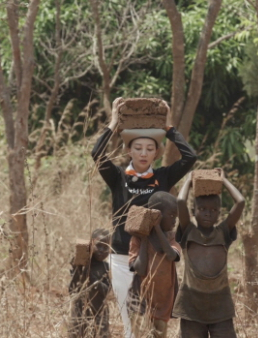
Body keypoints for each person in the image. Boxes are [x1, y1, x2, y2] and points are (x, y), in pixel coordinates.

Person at [91, 97, 196, 337]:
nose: (143, 153)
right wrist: (114, 123)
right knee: (131, 324)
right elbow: (96, 153)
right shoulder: (118, 177)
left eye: (150, 149)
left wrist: (168, 126)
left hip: (157, 258)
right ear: (129, 150)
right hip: (121, 256)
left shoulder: (163, 176)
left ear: (157, 153)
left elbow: (190, 158)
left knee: (157, 321)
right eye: (138, 148)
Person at [172, 169, 245, 338]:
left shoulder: (223, 233)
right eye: (202, 209)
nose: (207, 213)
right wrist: (189, 180)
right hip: (191, 305)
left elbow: (240, 202)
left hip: (220, 304)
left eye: (213, 210)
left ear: (219, 213)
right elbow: (181, 202)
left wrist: (223, 180)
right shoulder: (188, 231)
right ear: (194, 211)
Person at [128, 191, 181, 338]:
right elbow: (139, 268)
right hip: (140, 301)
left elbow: (171, 255)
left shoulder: (172, 237)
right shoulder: (137, 239)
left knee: (159, 333)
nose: (175, 220)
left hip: (162, 302)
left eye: (176, 216)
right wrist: (145, 236)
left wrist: (157, 228)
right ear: (157, 215)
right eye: (171, 215)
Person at [68, 229, 112, 338]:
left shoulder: (106, 267)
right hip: (80, 311)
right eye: (99, 246)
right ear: (91, 244)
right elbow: (72, 290)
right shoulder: (81, 265)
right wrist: (78, 267)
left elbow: (106, 291)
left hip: (99, 313)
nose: (102, 250)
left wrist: (92, 278)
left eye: (106, 247)